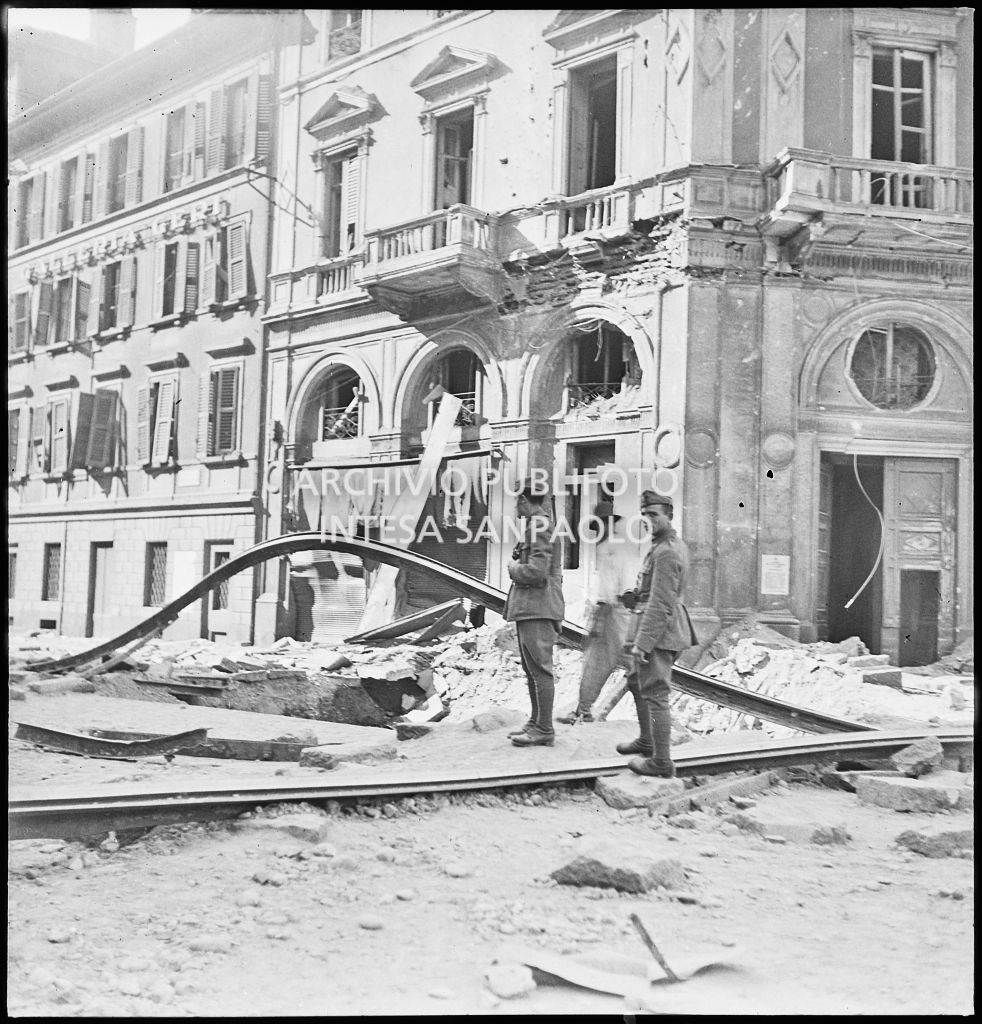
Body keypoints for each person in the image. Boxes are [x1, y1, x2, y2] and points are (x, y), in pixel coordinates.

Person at [619, 490, 698, 778]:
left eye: (654, 515)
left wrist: (643, 643)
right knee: (636, 681)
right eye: (644, 516)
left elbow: (662, 602)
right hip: (655, 624)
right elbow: (655, 591)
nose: (648, 521)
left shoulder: (666, 551)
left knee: (655, 692)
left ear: (669, 515)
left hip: (660, 631)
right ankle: (647, 740)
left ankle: (661, 762)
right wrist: (635, 594)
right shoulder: (664, 546)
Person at [557, 500, 636, 725]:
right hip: (614, 609)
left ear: (609, 524)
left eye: (602, 524)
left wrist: (600, 618)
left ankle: (585, 710)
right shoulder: (612, 546)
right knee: (605, 661)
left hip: (614, 610)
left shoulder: (613, 547)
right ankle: (584, 709)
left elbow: (615, 588)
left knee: (606, 661)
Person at [503, 476, 565, 747]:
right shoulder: (536, 525)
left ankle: (544, 729)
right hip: (532, 607)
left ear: (524, 499)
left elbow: (536, 572)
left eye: (517, 500)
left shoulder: (539, 526)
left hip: (538, 607)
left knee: (540, 671)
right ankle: (536, 722)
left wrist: (513, 569)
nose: (515, 505)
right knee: (532, 670)